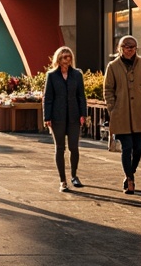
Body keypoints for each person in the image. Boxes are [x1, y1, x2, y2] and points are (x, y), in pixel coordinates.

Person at [104, 35, 141, 195]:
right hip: (121, 114)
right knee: (127, 148)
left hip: (138, 114)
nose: (130, 49)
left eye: (132, 47)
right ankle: (130, 180)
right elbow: (108, 90)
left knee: (138, 150)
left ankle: (130, 173)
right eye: (126, 46)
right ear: (120, 48)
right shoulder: (112, 66)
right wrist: (112, 109)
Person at [43, 46, 87, 191]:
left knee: (74, 147)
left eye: (68, 57)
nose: (66, 60)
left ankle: (74, 176)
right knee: (60, 148)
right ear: (58, 59)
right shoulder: (52, 75)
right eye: (63, 57)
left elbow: (81, 96)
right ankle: (62, 180)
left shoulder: (77, 74)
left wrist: (83, 114)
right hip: (57, 116)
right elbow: (47, 97)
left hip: (74, 116)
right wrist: (47, 117)